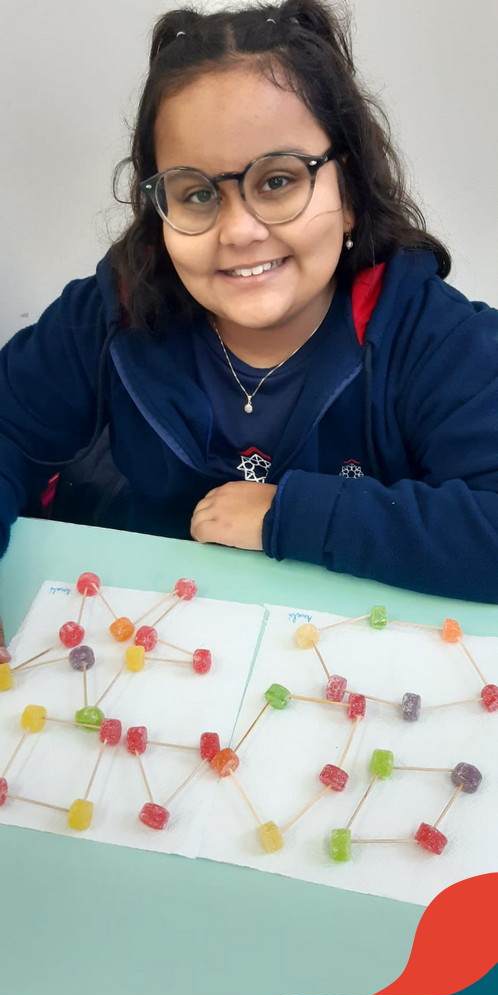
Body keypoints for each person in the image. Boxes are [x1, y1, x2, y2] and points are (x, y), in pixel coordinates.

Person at [0, 0, 497, 602]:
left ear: (349, 193)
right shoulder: (116, 311)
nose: (238, 232)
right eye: (196, 193)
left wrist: (295, 515)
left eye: (278, 181)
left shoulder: (433, 336)